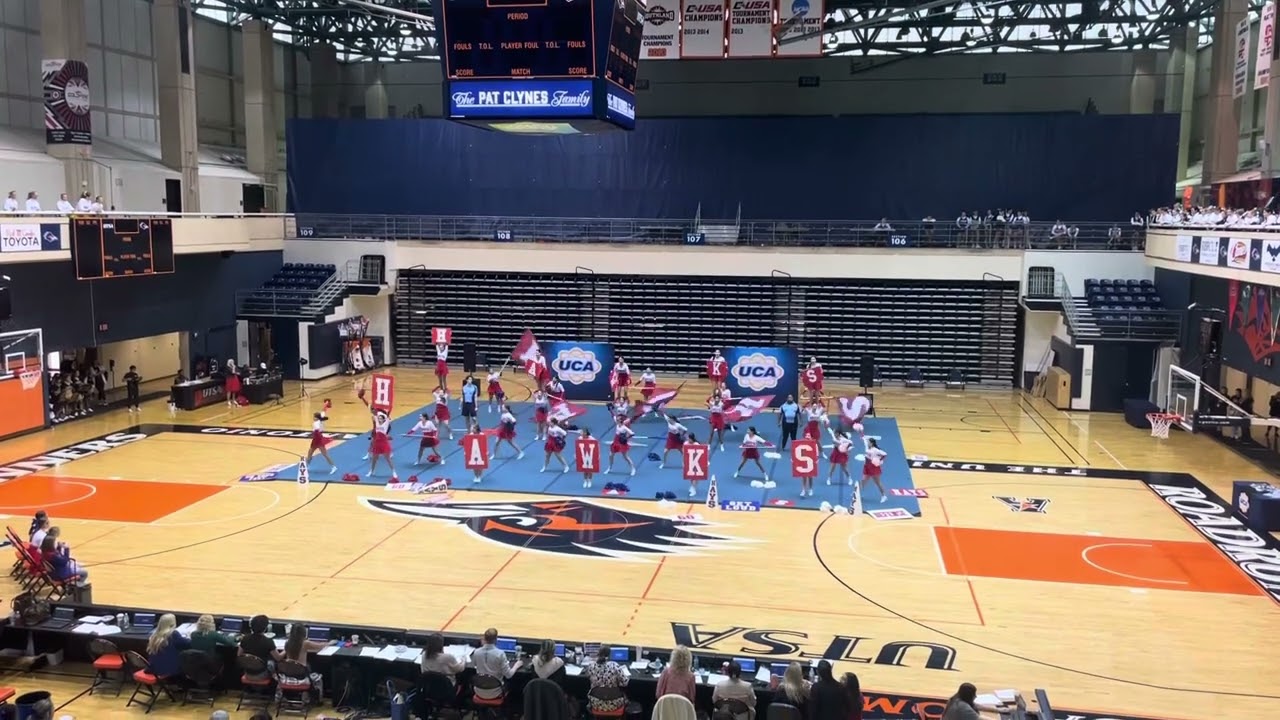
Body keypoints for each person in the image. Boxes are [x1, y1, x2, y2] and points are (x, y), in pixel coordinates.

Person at [279, 624, 333, 699]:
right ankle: (318, 700)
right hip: (302, 676)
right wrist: (330, 643)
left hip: (288, 675)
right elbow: (319, 646)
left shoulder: (287, 643)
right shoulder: (305, 643)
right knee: (318, 677)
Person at [472, 629, 523, 699]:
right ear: (496, 640)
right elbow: (509, 675)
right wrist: (516, 666)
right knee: (513, 684)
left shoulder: (476, 652)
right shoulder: (500, 654)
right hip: (495, 693)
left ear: (484, 639)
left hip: (478, 691)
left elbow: (474, 665)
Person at [584, 646, 629, 714]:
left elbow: (587, 676)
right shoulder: (614, 666)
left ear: (598, 654)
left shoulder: (591, 666)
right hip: (614, 704)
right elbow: (625, 683)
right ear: (609, 655)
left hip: (596, 703)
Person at [146, 614, 190, 678]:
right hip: (169, 670)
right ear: (172, 624)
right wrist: (189, 636)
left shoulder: (154, 635)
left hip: (155, 669)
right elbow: (187, 643)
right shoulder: (173, 634)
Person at [367, 408, 399, 481]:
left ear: (383, 419)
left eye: (381, 418)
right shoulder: (377, 423)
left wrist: (388, 410)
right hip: (377, 442)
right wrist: (373, 408)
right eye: (379, 418)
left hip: (383, 442)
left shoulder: (386, 423)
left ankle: (394, 471)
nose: (379, 419)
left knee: (388, 459)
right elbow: (374, 412)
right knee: (374, 459)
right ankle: (371, 471)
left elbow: (388, 415)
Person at [824, 429, 854, 494]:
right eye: (834, 433)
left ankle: (849, 478)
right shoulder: (834, 440)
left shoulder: (843, 438)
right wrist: (841, 444)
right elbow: (838, 446)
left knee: (844, 468)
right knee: (832, 467)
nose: (834, 434)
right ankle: (829, 479)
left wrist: (847, 448)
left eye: (835, 433)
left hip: (842, 453)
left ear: (838, 434)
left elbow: (850, 443)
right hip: (836, 453)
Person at [861, 438, 888, 502]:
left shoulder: (875, 450)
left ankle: (884, 496)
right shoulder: (870, 449)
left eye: (868, 442)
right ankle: (859, 494)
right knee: (863, 481)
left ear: (872, 443)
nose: (867, 443)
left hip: (873, 468)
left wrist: (879, 460)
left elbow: (885, 454)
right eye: (867, 442)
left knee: (877, 482)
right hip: (867, 467)